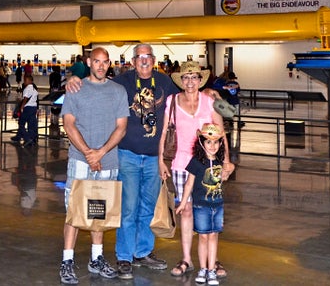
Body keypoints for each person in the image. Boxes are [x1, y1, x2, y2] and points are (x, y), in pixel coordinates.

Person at [68, 43, 178, 278]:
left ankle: (143, 251)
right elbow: (96, 82)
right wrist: (72, 78)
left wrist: (212, 93)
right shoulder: (122, 83)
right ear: (133, 61)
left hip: (153, 158)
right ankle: (125, 256)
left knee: (147, 207)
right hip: (126, 154)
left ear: (154, 59)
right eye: (139, 57)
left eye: (148, 57)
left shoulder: (165, 82)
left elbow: (189, 92)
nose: (144, 61)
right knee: (127, 208)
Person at [59, 46, 129, 285]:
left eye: (105, 62)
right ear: (89, 62)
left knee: (98, 212)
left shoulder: (118, 91)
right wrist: (89, 153)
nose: (101, 66)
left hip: (108, 160)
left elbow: (121, 127)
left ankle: (96, 258)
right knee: (74, 211)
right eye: (97, 61)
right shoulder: (75, 88)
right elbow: (69, 124)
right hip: (80, 160)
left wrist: (100, 152)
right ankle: (67, 260)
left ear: (110, 64)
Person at [159, 62, 231, 278]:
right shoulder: (172, 101)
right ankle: (187, 259)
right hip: (181, 164)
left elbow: (221, 132)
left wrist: (226, 160)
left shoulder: (210, 102)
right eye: (186, 77)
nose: (190, 82)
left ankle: (212, 260)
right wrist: (161, 161)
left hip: (208, 166)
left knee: (209, 211)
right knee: (186, 210)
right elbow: (164, 132)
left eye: (194, 77)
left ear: (201, 80)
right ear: (181, 80)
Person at [176, 124, 233, 286]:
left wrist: (228, 169)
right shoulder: (196, 162)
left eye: (216, 142)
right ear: (201, 143)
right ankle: (203, 269)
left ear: (221, 143)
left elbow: (227, 174)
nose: (212, 146)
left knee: (213, 236)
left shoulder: (221, 162)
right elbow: (189, 184)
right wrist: (183, 203)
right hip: (201, 206)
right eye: (208, 142)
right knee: (203, 237)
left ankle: (211, 269)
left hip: (217, 205)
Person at [12, 73, 39, 147]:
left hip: (27, 108)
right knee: (31, 124)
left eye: (26, 80)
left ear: (30, 81)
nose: (24, 82)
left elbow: (25, 98)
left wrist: (22, 107)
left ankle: (27, 138)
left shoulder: (28, 88)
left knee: (21, 123)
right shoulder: (34, 88)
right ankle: (32, 138)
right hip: (33, 107)